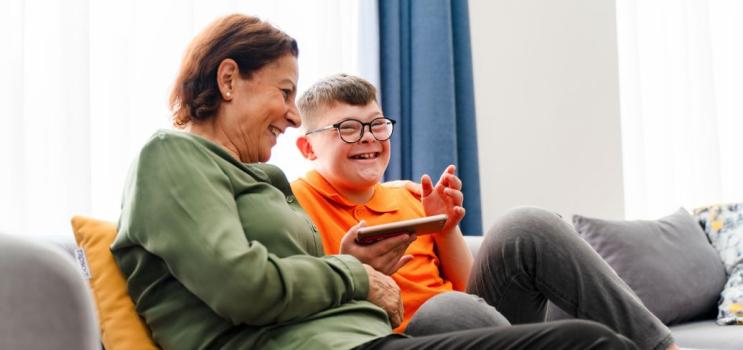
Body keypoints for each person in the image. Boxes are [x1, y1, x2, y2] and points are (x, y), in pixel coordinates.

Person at [112, 13, 639, 350]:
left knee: (538, 250)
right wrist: (359, 274)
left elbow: (307, 285)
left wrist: (424, 236)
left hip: (364, 334)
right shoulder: (173, 156)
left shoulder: (260, 178)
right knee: (586, 344)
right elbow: (244, 286)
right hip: (357, 340)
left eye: (376, 125)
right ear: (229, 80)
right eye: (284, 92)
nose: (292, 115)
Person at [290, 73, 679, 350]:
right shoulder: (293, 204)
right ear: (308, 148)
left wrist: (445, 228)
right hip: (405, 338)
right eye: (348, 129)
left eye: (377, 125)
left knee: (526, 224)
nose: (369, 140)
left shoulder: (410, 195)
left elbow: (469, 290)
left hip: (477, 326)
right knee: (445, 310)